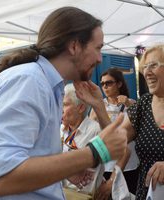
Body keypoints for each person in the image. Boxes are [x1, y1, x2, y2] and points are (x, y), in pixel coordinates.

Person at [0, 7, 127, 200]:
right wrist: (94, 152)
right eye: (98, 48)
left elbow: (26, 154)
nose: (100, 58)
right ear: (74, 46)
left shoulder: (47, 85)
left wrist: (66, 169)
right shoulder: (30, 81)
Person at [73, 44, 164, 200]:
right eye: (145, 67)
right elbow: (116, 137)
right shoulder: (144, 104)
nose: (147, 73)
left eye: (154, 65)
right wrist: (98, 105)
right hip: (149, 193)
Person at [90, 68, 139, 198]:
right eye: (102, 84)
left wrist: (128, 104)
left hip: (129, 163)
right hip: (106, 163)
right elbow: (90, 133)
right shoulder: (99, 106)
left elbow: (139, 129)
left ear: (119, 84)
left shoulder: (132, 103)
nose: (104, 87)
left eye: (109, 83)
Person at [61, 83, 101, 196]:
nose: (60, 109)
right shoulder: (60, 130)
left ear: (81, 108)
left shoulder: (96, 131)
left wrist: (111, 182)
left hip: (85, 196)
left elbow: (123, 154)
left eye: (64, 104)